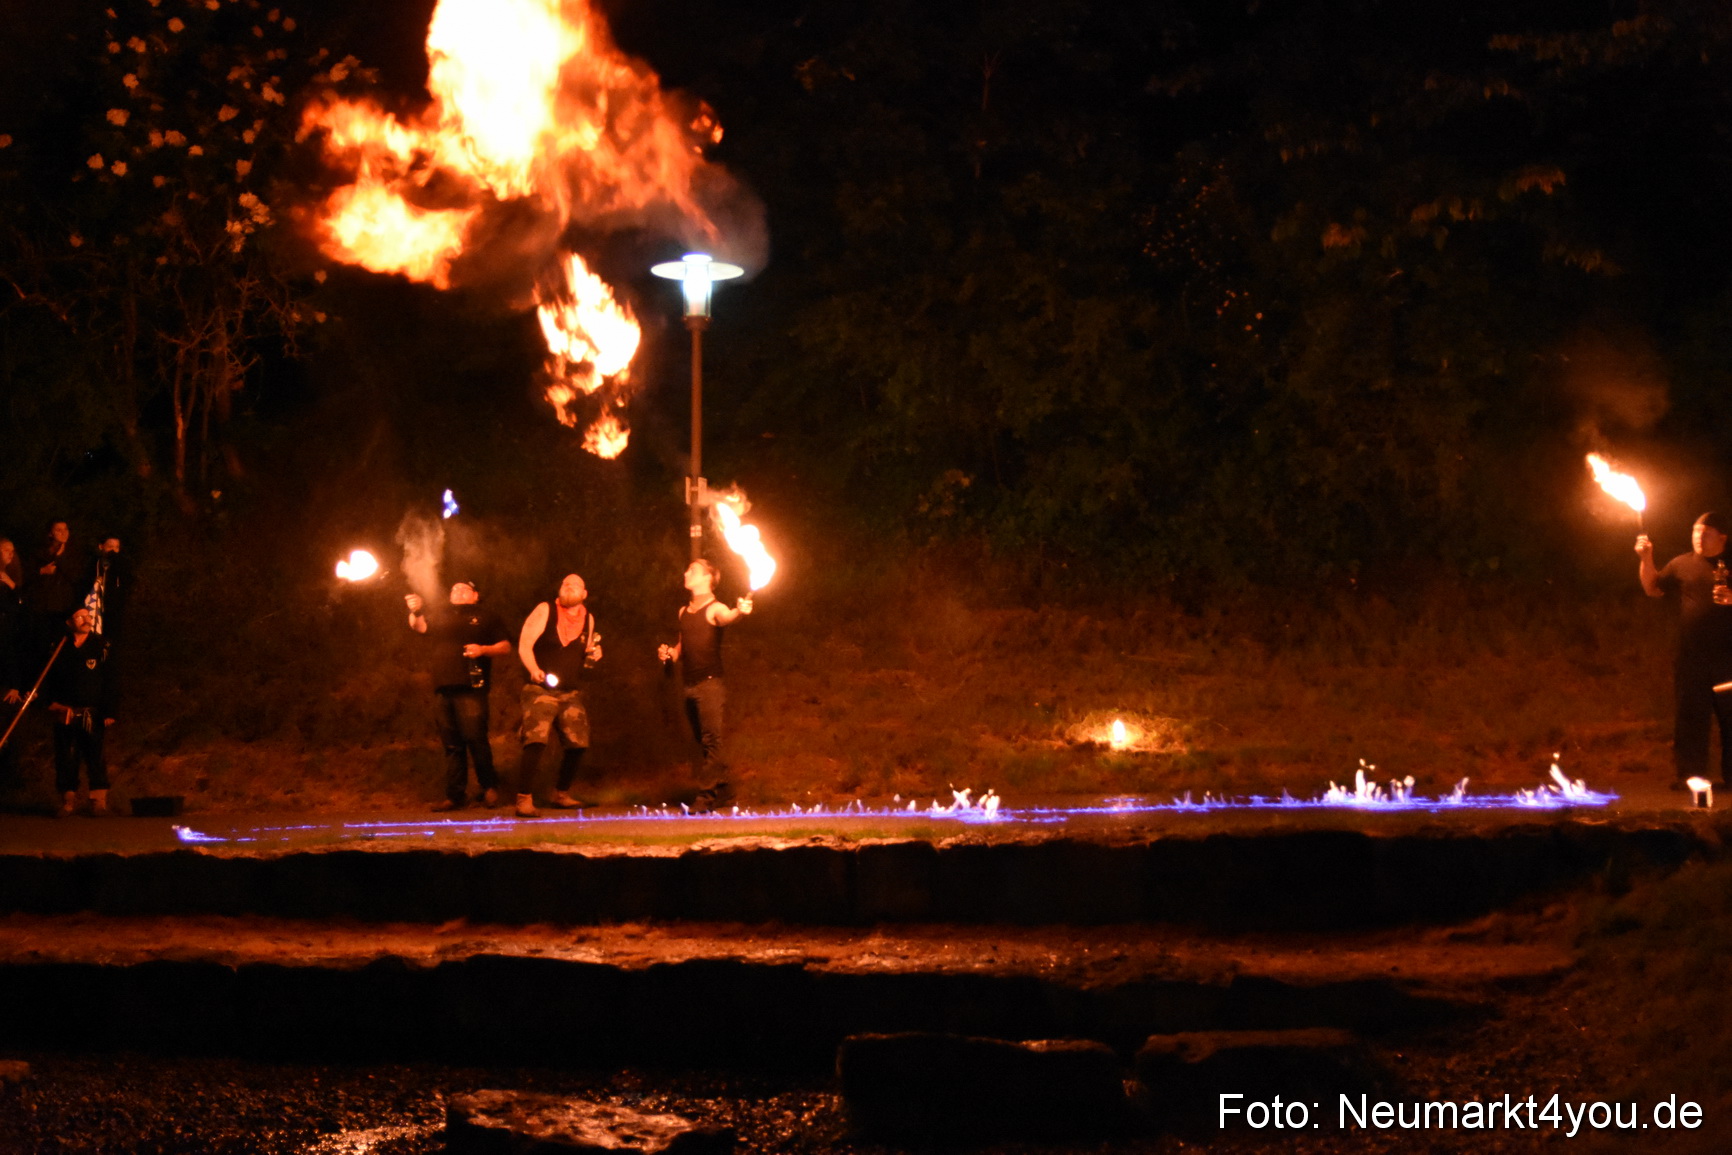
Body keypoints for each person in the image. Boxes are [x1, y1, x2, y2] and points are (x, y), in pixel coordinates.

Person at [1638, 511, 1732, 790]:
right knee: (1691, 720)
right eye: (1695, 532)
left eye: (1705, 533)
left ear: (1722, 537)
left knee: (1731, 718)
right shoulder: (1681, 564)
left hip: (1729, 661)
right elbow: (1652, 589)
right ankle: (1691, 778)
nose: (1698, 537)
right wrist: (1646, 558)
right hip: (1692, 660)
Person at [405, 581, 511, 812]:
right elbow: (419, 627)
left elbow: (505, 646)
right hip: (443, 688)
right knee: (452, 745)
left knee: (476, 739)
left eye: (464, 589)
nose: (457, 591)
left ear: (476, 595)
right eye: (453, 589)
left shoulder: (485, 616)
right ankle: (455, 795)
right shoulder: (441, 615)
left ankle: (489, 788)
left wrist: (483, 650)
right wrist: (416, 611)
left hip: (471, 687)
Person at [657, 559, 752, 810]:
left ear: (708, 578)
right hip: (688, 686)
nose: (686, 573)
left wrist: (740, 611)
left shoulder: (715, 607)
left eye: (693, 570)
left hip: (710, 685)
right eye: (687, 569)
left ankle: (706, 797)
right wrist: (669, 654)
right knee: (704, 742)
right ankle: (725, 791)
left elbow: (727, 618)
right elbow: (681, 648)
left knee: (712, 740)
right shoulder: (683, 612)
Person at [515, 573, 603, 817]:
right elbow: (524, 643)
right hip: (540, 688)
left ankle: (560, 794)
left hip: (569, 691)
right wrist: (533, 669)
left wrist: (595, 654)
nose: (569, 587)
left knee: (578, 744)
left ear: (584, 594)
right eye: (565, 583)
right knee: (536, 740)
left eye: (575, 585)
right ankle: (524, 799)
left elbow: (588, 650)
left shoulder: (589, 619)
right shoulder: (545, 610)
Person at [41, 607, 118, 817]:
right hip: (65, 711)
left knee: (95, 756)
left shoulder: (102, 646)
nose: (86, 620)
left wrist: (109, 710)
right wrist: (51, 703)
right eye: (80, 617)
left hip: (92, 712)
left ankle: (98, 802)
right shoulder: (59, 646)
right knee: (66, 757)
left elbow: (111, 680)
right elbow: (48, 678)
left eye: (88, 616)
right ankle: (68, 802)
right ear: (69, 622)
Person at [23, 522, 84, 663]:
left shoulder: (74, 554)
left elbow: (76, 577)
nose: (63, 532)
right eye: (58, 530)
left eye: (66, 529)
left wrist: (60, 558)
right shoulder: (38, 553)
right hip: (42, 607)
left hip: (63, 608)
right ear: (50, 533)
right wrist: (42, 571)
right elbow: (26, 576)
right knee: (40, 647)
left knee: (62, 647)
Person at [84, 535, 131, 642]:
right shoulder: (92, 564)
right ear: (101, 546)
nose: (113, 551)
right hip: (94, 609)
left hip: (112, 611)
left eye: (116, 547)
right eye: (110, 546)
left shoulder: (121, 565)